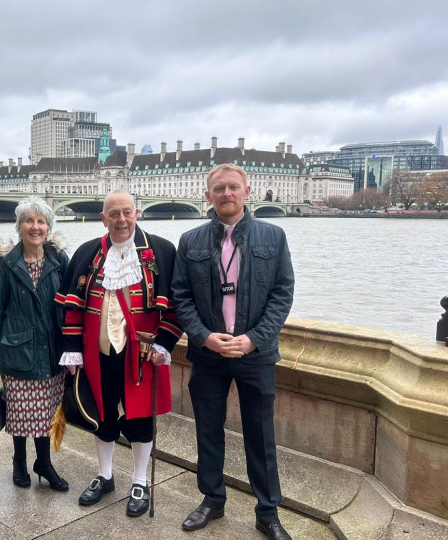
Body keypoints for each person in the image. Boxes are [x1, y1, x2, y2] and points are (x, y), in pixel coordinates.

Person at [171, 164, 295, 539]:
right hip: (209, 353)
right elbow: (181, 297)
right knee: (208, 430)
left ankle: (268, 511)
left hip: (255, 354)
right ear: (207, 195)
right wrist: (204, 337)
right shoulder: (190, 240)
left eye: (233, 188)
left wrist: (255, 338)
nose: (227, 194)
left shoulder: (273, 236)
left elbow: (282, 293)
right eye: (219, 188)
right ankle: (212, 499)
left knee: (261, 434)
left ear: (247, 192)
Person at [56, 191, 182, 517]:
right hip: (97, 355)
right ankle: (105, 475)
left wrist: (164, 344)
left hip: (142, 356)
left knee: (140, 419)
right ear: (104, 218)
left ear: (136, 213)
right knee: (102, 416)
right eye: (114, 214)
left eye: (127, 212)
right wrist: (71, 351)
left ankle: (140, 481)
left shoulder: (162, 251)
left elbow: (179, 305)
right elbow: (72, 309)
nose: (121, 220)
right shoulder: (87, 253)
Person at [0, 196, 70, 492]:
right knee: (20, 411)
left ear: (48, 227)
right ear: (19, 226)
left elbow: (72, 303)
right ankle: (20, 460)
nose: (35, 227)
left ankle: (44, 463)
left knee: (47, 410)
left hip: (52, 349)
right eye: (29, 221)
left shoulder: (60, 261)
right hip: (17, 349)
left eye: (41, 221)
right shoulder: (6, 264)